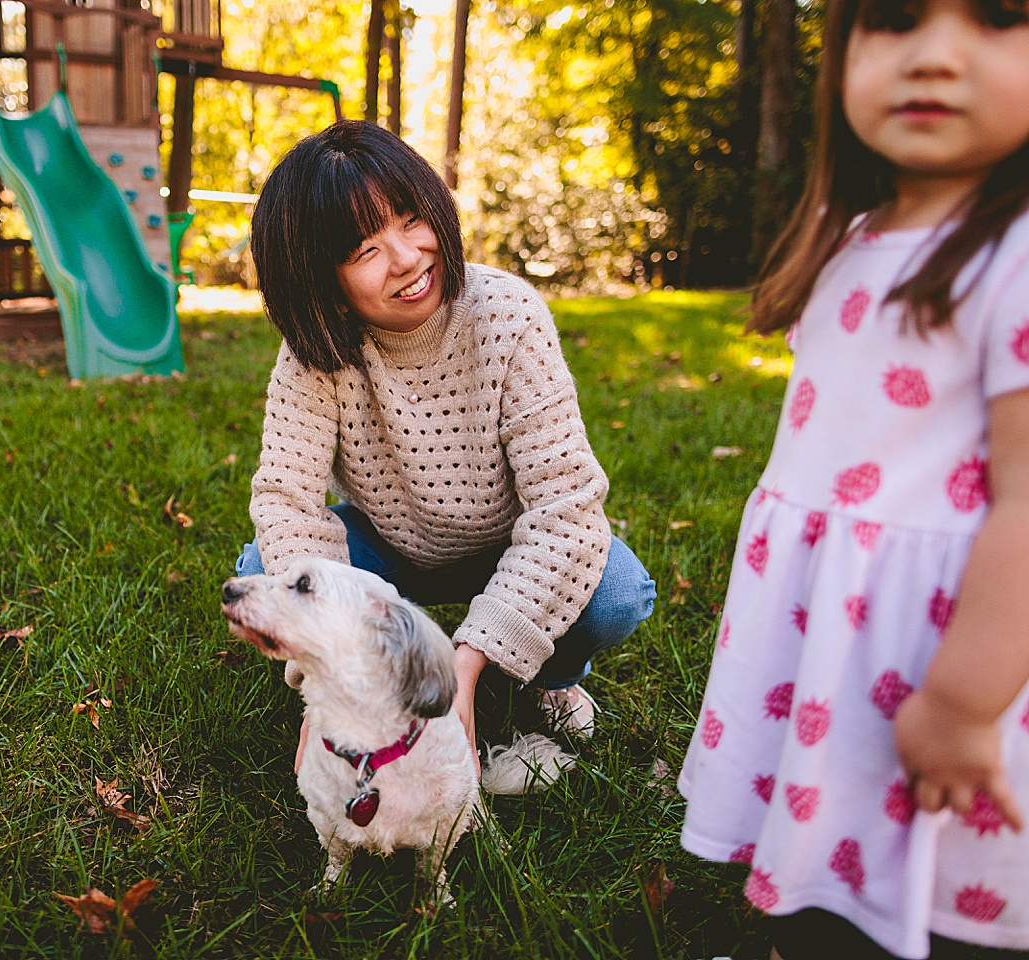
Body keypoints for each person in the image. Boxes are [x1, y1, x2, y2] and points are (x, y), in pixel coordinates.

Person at [677, 1, 1029, 958]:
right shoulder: (853, 236)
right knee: (828, 826)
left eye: (1000, 19)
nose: (935, 57)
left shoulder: (1017, 258)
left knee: (928, 864)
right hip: (829, 629)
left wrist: (963, 704)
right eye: (895, 19)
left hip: (951, 648)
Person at [235, 119, 656, 774]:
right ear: (323, 282)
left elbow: (567, 510)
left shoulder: (507, 314)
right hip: (385, 551)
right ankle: (371, 679)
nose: (406, 258)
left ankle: (549, 679)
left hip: (505, 545)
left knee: (617, 591)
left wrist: (468, 663)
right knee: (266, 557)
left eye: (410, 219)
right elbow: (288, 504)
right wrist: (327, 674)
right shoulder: (314, 354)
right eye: (365, 250)